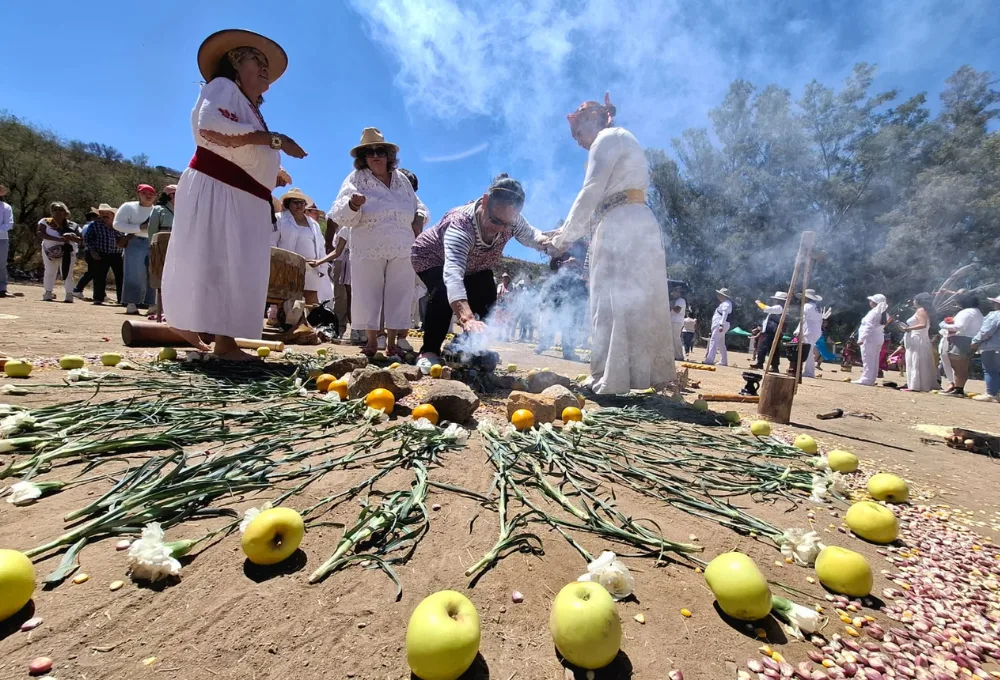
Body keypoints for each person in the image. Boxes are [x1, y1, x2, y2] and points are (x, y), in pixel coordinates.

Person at [162, 29, 307, 360]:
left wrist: (271, 170)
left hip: (241, 194)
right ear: (235, 62)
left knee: (232, 265)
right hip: (219, 187)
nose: (264, 67)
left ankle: (211, 334)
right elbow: (210, 127)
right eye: (256, 59)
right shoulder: (223, 87)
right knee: (221, 262)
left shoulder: (249, 107)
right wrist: (277, 140)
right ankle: (222, 342)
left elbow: (242, 149)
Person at [549, 93, 675, 393]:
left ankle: (612, 378)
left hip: (622, 224)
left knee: (612, 300)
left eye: (578, 133)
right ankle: (631, 376)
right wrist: (565, 233)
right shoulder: (620, 138)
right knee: (632, 301)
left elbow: (591, 191)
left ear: (593, 119)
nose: (578, 141)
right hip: (634, 221)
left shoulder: (606, 138)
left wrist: (563, 238)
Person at [410, 174, 552, 370]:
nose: (500, 229)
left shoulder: (511, 220)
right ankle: (429, 351)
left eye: (506, 224)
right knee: (442, 292)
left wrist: (548, 242)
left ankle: (465, 348)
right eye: (495, 220)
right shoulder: (460, 224)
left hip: (474, 265)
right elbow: (453, 274)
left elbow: (532, 236)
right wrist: (467, 318)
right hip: (432, 258)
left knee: (487, 293)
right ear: (485, 201)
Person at [328, 128, 420, 359]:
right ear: (363, 157)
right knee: (368, 291)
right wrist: (353, 205)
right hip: (368, 245)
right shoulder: (355, 179)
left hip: (402, 245)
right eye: (370, 152)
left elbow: (418, 205)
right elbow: (338, 212)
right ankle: (371, 340)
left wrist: (418, 218)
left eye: (380, 151)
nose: (375, 156)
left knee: (399, 291)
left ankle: (392, 342)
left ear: (389, 155)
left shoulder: (402, 180)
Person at [276, 187, 327, 306]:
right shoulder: (279, 219)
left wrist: (322, 266)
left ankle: (311, 319)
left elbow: (321, 246)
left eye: (302, 203)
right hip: (288, 267)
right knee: (288, 300)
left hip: (311, 267)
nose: (299, 205)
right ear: (288, 203)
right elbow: (272, 242)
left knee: (312, 301)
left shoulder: (314, 224)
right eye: (295, 202)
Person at [114, 184, 158, 314]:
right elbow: (117, 224)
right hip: (135, 241)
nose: (148, 196)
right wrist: (139, 227)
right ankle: (131, 303)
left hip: (154, 242)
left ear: (155, 196)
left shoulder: (158, 210)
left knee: (154, 274)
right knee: (133, 273)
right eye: (144, 193)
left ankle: (152, 304)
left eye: (151, 194)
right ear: (138, 194)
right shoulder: (128, 207)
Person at [940, 292, 985, 397]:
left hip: (962, 340)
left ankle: (958, 389)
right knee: (963, 366)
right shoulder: (978, 312)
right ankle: (958, 388)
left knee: (958, 366)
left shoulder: (966, 312)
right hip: (971, 340)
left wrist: (943, 325)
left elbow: (958, 326)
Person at [37, 201, 82, 302]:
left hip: (68, 251)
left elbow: (80, 239)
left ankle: (69, 295)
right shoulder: (45, 222)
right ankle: (48, 293)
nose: (57, 212)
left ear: (65, 212)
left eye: (60, 210)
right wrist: (58, 239)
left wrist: (71, 237)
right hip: (50, 251)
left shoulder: (73, 225)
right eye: (55, 210)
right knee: (49, 271)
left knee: (68, 273)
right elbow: (40, 233)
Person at [84, 204, 125, 305]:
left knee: (121, 277)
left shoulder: (119, 225)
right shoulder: (95, 225)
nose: (104, 215)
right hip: (101, 253)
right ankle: (98, 298)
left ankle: (122, 299)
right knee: (99, 277)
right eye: (102, 213)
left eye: (107, 213)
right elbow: (88, 238)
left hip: (117, 254)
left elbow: (124, 238)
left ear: (112, 214)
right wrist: (93, 251)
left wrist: (113, 227)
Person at [899, 293, 937, 392]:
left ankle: (915, 385)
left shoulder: (921, 310)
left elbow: (923, 324)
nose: (913, 301)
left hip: (918, 338)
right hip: (918, 338)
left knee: (916, 361)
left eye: (914, 299)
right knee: (917, 361)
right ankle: (916, 384)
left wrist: (908, 328)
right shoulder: (923, 310)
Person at [853, 293, 888, 386]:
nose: (870, 302)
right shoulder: (884, 313)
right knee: (874, 359)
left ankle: (866, 379)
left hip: (870, 339)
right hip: (878, 338)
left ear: (875, 303)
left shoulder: (873, 313)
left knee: (868, 359)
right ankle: (871, 378)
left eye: (871, 301)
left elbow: (868, 326)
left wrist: (862, 338)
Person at [971, 295, 1000, 403]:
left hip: (992, 347)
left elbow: (986, 331)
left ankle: (991, 394)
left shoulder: (995, 315)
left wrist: (975, 341)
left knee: (990, 370)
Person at [750, 291, 786, 372]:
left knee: (773, 349)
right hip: (769, 331)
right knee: (762, 348)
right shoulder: (777, 308)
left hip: (773, 332)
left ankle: (774, 367)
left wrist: (759, 303)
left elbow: (766, 308)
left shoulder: (779, 307)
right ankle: (760, 363)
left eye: (776, 299)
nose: (775, 301)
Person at [791, 289, 823, 378]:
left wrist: (798, 331)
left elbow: (803, 320)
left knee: (808, 351)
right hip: (816, 331)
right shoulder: (817, 307)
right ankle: (808, 371)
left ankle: (809, 372)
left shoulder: (807, 306)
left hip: (809, 331)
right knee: (809, 351)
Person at [72, 209, 100, 299]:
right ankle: (77, 289)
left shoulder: (85, 226)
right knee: (92, 272)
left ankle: (100, 294)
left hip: (89, 251)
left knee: (96, 272)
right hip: (92, 251)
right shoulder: (91, 226)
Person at [704, 288, 733, 366]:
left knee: (713, 340)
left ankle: (710, 359)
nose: (718, 296)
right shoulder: (725, 303)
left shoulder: (726, 304)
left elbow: (724, 315)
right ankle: (723, 361)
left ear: (724, 296)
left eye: (720, 294)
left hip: (720, 324)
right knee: (721, 343)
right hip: (720, 324)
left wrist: (721, 325)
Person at [669, 284, 687, 361]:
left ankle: (679, 356)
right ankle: (675, 355)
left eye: (675, 292)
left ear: (679, 293)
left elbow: (677, 310)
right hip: (673, 321)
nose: (673, 293)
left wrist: (671, 305)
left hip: (677, 322)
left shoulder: (681, 300)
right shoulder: (676, 301)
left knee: (676, 338)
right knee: (673, 339)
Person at [0, 184, 12, 297]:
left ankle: (2, 288)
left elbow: (9, 224)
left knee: (1, 263)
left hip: (2, 238)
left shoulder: (6, 207)